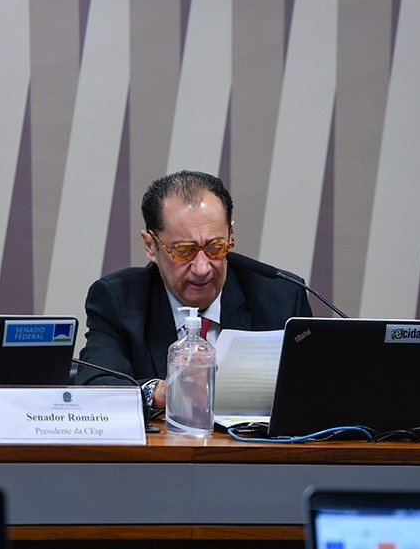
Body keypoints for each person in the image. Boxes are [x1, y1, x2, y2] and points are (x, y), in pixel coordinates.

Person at [76, 170, 312, 410]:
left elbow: (313, 391)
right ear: (150, 246)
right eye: (184, 250)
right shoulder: (118, 299)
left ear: (231, 235)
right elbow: (95, 389)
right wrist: (156, 393)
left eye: (215, 247)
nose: (202, 268)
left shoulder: (282, 298)